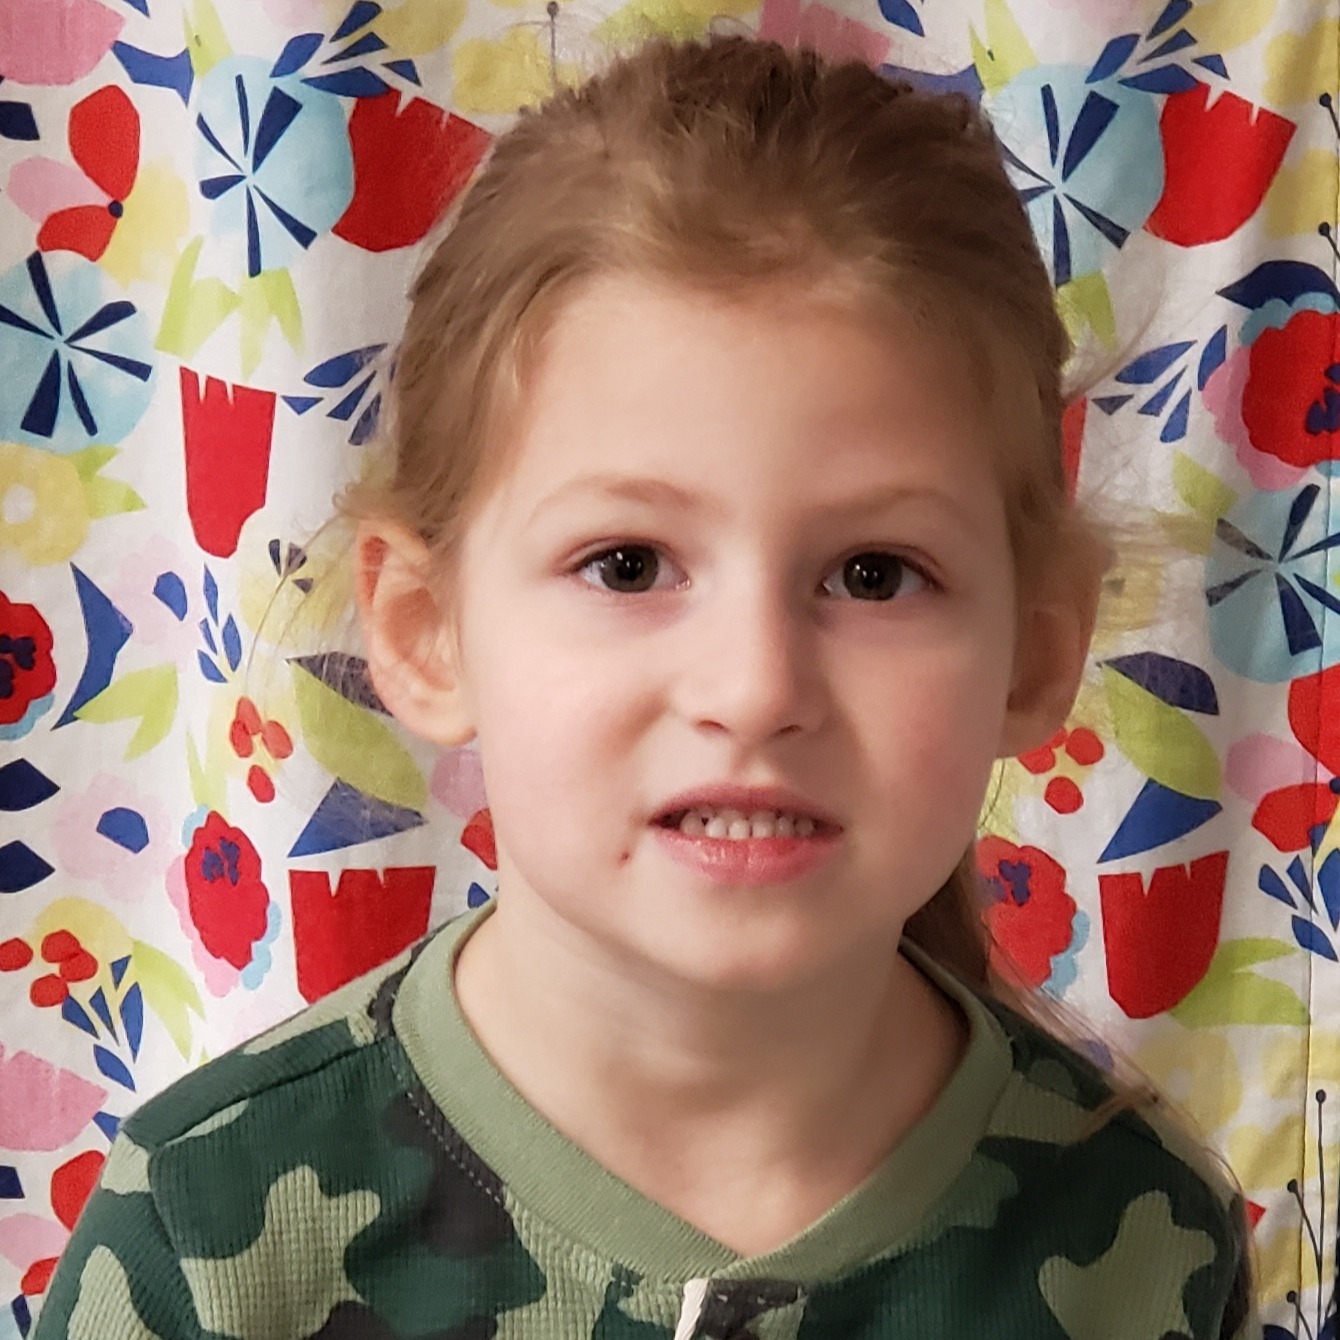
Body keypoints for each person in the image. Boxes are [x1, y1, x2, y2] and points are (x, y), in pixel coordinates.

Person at [35, 35, 1253, 1340]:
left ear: (1040, 651)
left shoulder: (1145, 1240)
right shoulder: (199, 1241)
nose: (754, 686)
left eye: (877, 574)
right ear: (424, 628)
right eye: (627, 563)